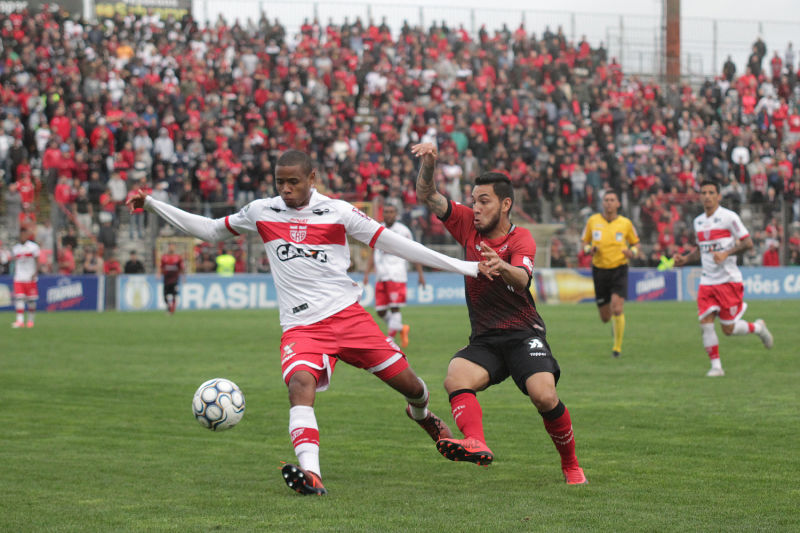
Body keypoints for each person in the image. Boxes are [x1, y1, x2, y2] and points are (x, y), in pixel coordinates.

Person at [127, 149, 486, 496]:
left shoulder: (339, 212)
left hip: (349, 319)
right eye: (280, 182)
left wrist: (467, 267)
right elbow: (209, 230)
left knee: (412, 387)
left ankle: (422, 415)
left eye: (293, 182)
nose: (285, 189)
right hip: (302, 328)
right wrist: (154, 204)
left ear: (312, 178)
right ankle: (311, 473)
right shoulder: (261, 211)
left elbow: (397, 246)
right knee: (300, 384)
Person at [412, 142, 587, 485]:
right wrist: (430, 163)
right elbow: (427, 193)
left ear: (506, 204)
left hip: (524, 336)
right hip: (487, 340)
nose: (475, 208)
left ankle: (571, 464)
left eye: (484, 201)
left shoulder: (521, 239)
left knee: (544, 395)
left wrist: (501, 266)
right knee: (455, 376)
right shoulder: (465, 224)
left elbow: (522, 279)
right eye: (473, 200)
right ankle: (475, 441)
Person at [674, 181, 773, 377]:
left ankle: (758, 328)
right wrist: (685, 259)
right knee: (705, 323)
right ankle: (716, 367)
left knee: (729, 329)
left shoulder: (729, 217)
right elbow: (701, 250)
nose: (707, 196)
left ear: (719, 196)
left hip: (728, 281)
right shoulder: (698, 221)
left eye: (711, 192)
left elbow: (748, 242)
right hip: (707, 281)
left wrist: (727, 253)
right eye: (703, 193)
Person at [581, 190, 640, 357]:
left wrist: (632, 252)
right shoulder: (593, 221)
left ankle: (617, 348)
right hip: (599, 271)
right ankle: (615, 326)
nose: (609, 203)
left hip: (619, 269)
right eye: (606, 200)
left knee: (617, 307)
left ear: (618, 204)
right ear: (603, 203)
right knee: (605, 317)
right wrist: (589, 249)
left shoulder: (626, 223)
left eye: (612, 200)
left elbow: (636, 244)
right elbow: (584, 243)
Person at [362, 203, 426, 348]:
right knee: (380, 310)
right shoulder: (377, 229)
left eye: (391, 212)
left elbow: (414, 252)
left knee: (395, 307)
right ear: (382, 214)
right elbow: (373, 252)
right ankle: (401, 328)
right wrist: (367, 273)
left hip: (396, 274)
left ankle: (390, 339)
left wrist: (420, 274)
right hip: (381, 275)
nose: (389, 214)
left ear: (396, 214)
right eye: (386, 212)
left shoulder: (403, 231)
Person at [10, 227, 40, 328]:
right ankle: (20, 321)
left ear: (27, 235)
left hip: (30, 277)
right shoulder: (15, 248)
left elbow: (37, 260)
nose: (23, 236)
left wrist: (35, 272)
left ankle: (30, 321)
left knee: (31, 301)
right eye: (21, 234)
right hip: (19, 277)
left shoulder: (33, 247)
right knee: (19, 299)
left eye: (24, 234)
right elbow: (14, 262)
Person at [160, 243, 184, 315]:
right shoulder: (164, 257)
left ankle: (172, 309)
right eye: (170, 247)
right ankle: (169, 306)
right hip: (166, 279)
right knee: (165, 295)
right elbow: (161, 267)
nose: (171, 248)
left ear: (175, 248)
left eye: (173, 247)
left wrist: (183, 277)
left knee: (174, 294)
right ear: (168, 248)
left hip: (174, 279)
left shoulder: (178, 257)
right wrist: (159, 274)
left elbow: (181, 268)